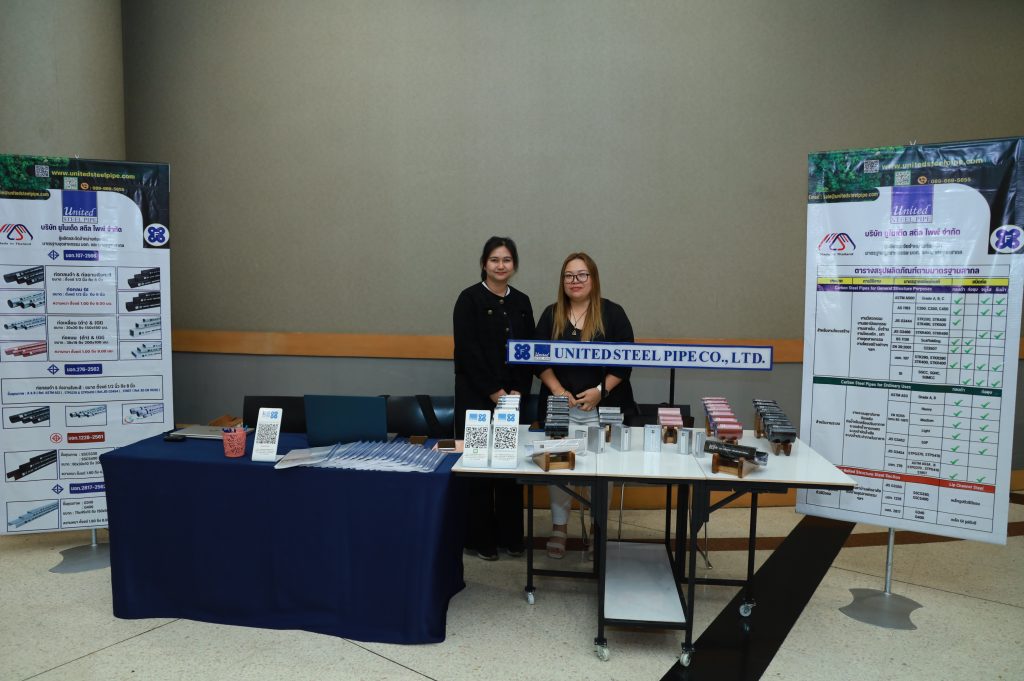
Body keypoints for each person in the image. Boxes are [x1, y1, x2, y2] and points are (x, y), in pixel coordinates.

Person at [535, 252, 637, 558]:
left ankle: (597, 528)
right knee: (558, 467)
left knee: (600, 470)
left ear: (593, 279)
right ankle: (559, 528)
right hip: (560, 407)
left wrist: (600, 392)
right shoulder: (551, 314)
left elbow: (625, 360)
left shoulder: (612, 313)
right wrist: (558, 390)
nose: (575, 281)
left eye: (581, 275)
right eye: (569, 276)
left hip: (602, 408)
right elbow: (538, 359)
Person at [453, 236, 535, 560]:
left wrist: (517, 391)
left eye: (507, 260)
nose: (501, 265)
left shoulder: (522, 302)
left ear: (514, 265)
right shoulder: (469, 299)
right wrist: (494, 392)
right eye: (494, 260)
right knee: (477, 466)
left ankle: (510, 536)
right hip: (476, 398)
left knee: (507, 464)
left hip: (512, 400)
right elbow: (468, 352)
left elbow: (528, 351)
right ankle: (479, 538)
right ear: (484, 264)